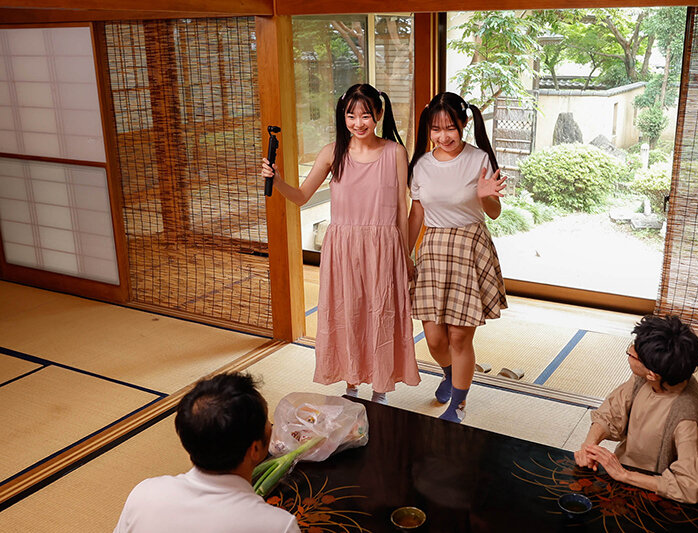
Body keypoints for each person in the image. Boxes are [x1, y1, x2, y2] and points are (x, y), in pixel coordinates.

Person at [261, 83, 420, 404]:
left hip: (383, 247)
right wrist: (277, 181)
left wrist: (405, 256)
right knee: (347, 313)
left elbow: (401, 209)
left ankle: (380, 387)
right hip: (343, 249)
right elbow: (301, 196)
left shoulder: (395, 152)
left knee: (381, 313)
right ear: (342, 116)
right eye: (351, 116)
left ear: (379, 114)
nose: (358, 123)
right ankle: (351, 383)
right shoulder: (332, 152)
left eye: (365, 115)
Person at [407, 92, 508, 423]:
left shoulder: (479, 159)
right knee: (435, 338)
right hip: (433, 249)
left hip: (469, 247)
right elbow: (416, 214)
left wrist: (485, 196)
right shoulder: (421, 165)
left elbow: (494, 212)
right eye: (436, 129)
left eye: (450, 127)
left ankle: (458, 405)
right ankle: (450, 375)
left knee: (460, 336)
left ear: (464, 123)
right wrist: (404, 254)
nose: (443, 136)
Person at [114, 372, 300, 533]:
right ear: (255, 449)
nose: (271, 426)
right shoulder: (277, 525)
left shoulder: (144, 494)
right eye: (267, 421)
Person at [574, 315, 698, 504]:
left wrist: (624, 475)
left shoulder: (685, 415)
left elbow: (692, 487)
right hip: (623, 468)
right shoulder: (649, 376)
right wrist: (589, 447)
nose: (630, 350)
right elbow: (611, 413)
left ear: (652, 374)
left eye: (633, 354)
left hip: (656, 489)